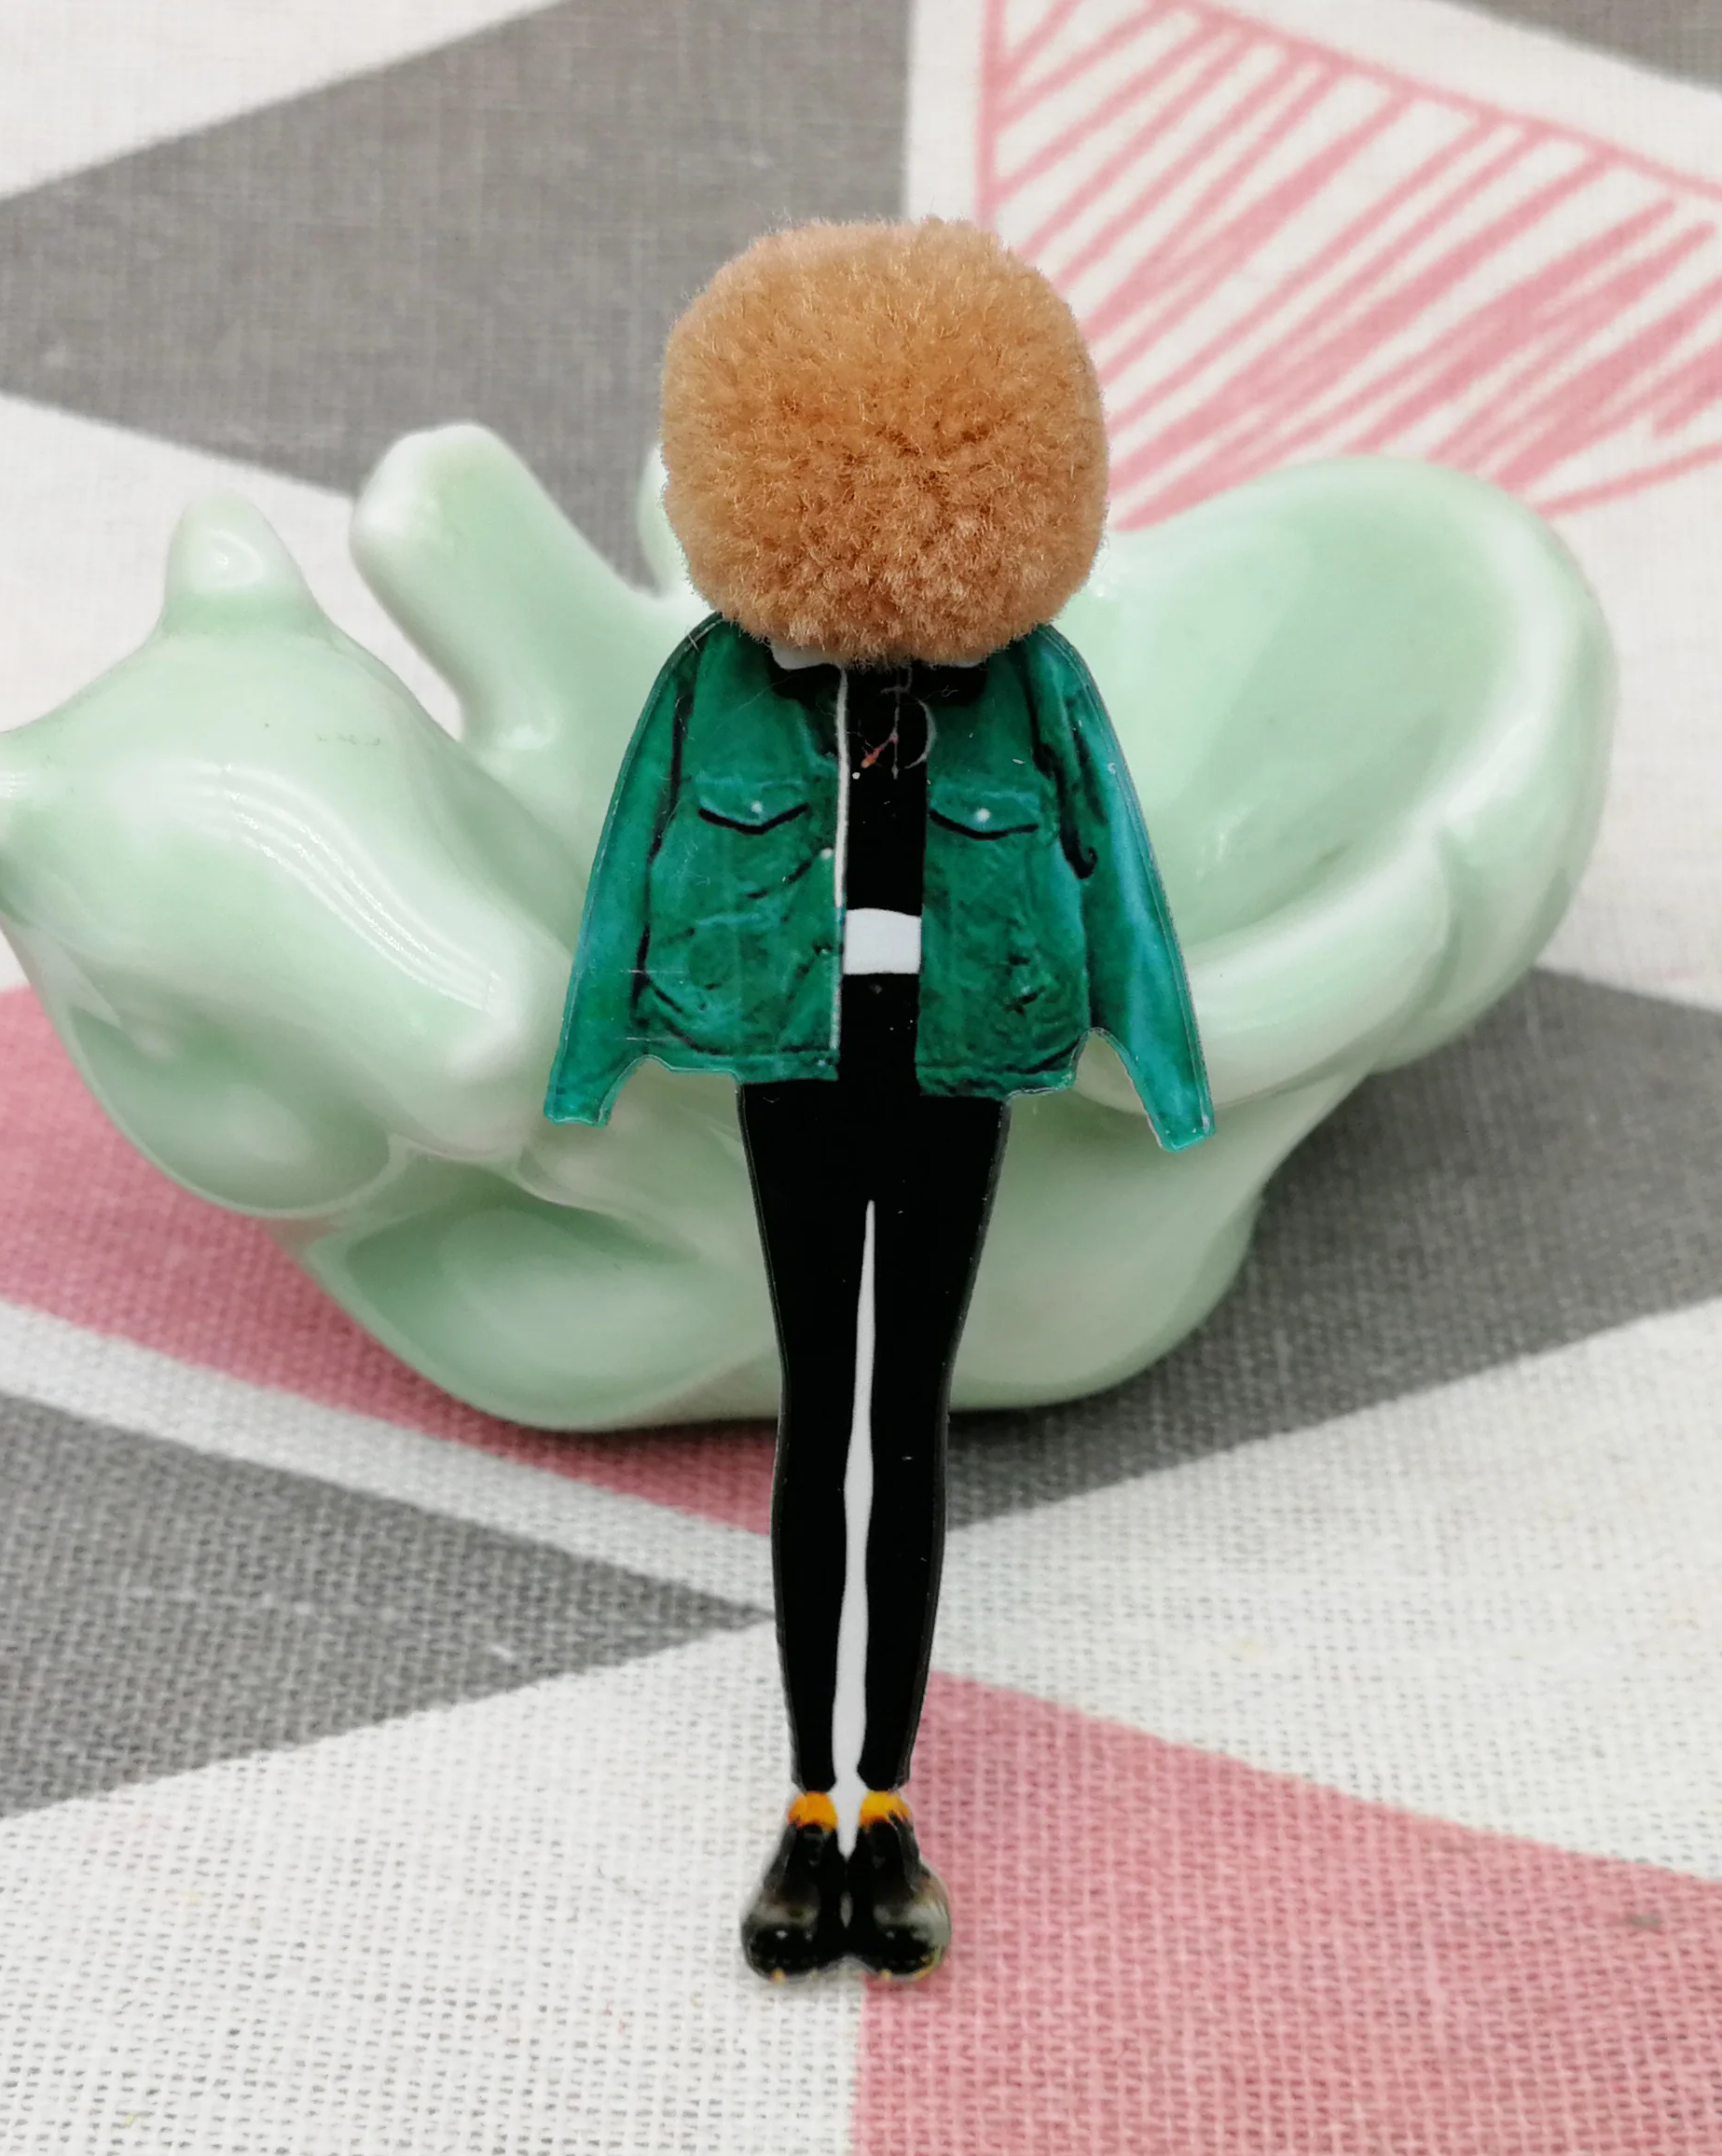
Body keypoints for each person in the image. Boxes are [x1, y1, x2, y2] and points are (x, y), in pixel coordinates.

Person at [544, 219, 1211, 1980]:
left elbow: (1119, 871)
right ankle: (805, 1803)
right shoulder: (717, 680)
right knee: (814, 1419)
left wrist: (1167, 1076)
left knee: (905, 1422)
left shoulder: (1035, 685)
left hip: (958, 1075)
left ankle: (889, 1803)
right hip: (793, 1076)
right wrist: (590, 1063)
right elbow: (628, 865)